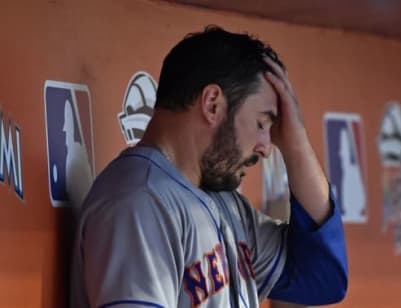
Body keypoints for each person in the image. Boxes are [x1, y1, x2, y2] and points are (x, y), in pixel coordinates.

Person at [70, 25, 348, 308]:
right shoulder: (138, 202)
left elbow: (323, 278)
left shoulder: (226, 204)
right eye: (262, 124)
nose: (266, 147)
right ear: (213, 104)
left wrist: (297, 145)